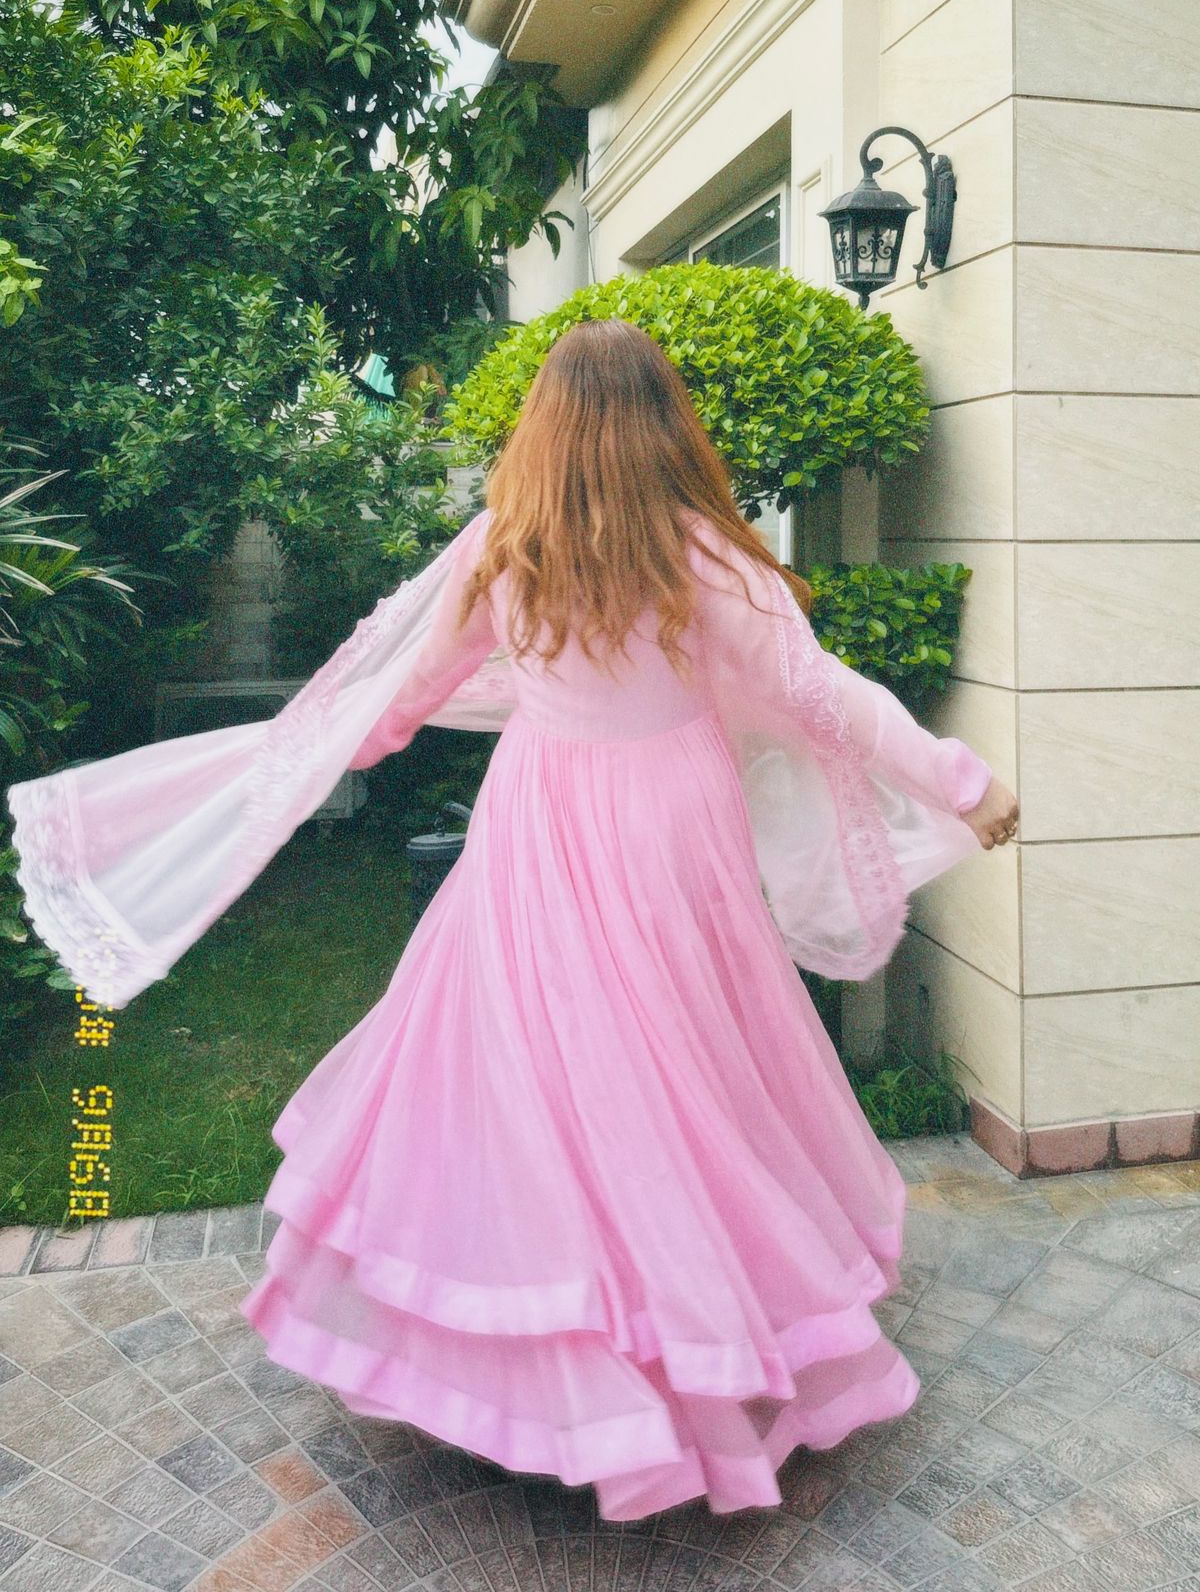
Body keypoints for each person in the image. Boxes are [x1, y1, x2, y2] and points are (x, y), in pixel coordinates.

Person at [234, 316, 1019, 1522]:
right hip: (668, 828)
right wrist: (958, 779)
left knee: (540, 1070)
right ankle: (683, 1346)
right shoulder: (697, 552)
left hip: (542, 816)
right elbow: (822, 692)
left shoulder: (506, 544)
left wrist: (340, 748)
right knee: (684, 1068)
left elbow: (415, 684)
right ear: (665, 422)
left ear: (545, 424)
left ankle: (556, 1355)